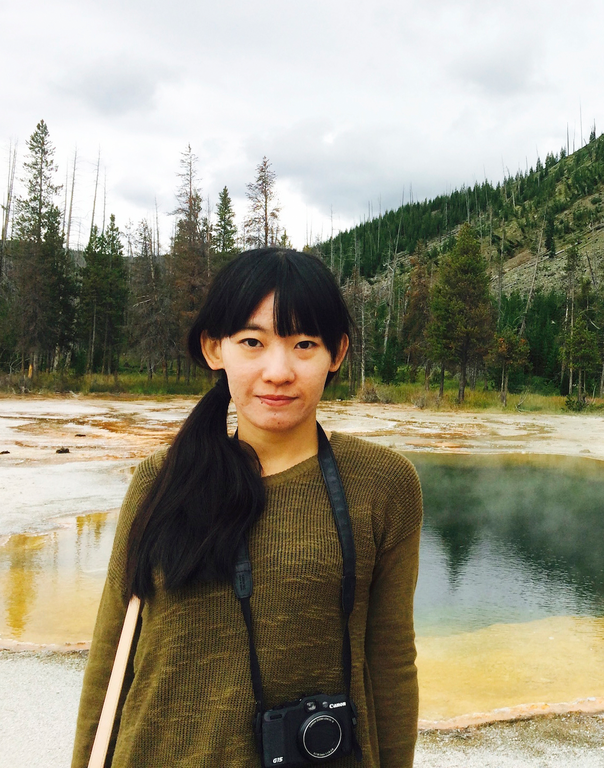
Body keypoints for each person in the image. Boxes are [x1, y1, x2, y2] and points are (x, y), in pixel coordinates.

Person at [71, 247, 423, 768]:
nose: (278, 371)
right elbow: (111, 658)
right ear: (216, 348)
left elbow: (390, 663)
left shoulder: (382, 485)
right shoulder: (161, 481)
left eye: (305, 344)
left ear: (338, 354)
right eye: (252, 342)